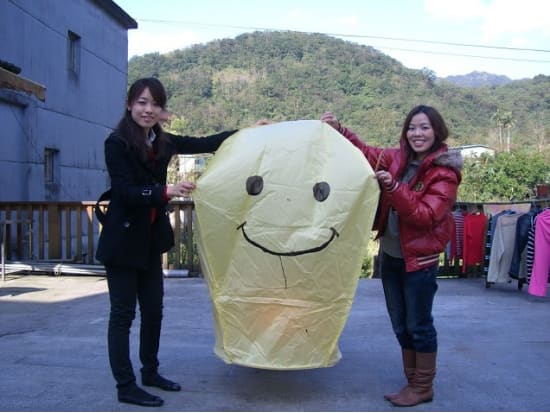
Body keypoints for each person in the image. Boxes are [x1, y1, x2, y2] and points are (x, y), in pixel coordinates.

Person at [95, 77, 258, 407]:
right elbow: (124, 192)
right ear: (129, 105)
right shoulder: (116, 143)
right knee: (123, 315)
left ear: (161, 109)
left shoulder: (163, 142)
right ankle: (126, 385)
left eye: (155, 104)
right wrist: (164, 191)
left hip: (150, 242)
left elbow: (205, 141)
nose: (148, 109)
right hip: (123, 242)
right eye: (142, 102)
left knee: (154, 311)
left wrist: (249, 131)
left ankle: (150, 372)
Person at [321, 106, 462, 407]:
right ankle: (413, 382)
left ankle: (422, 386)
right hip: (391, 255)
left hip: (419, 262)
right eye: (412, 127)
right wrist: (340, 129)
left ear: (437, 131)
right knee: (400, 323)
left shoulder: (445, 172)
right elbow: (366, 153)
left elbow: (425, 216)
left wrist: (394, 188)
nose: (417, 134)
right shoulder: (399, 158)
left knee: (419, 324)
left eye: (424, 128)